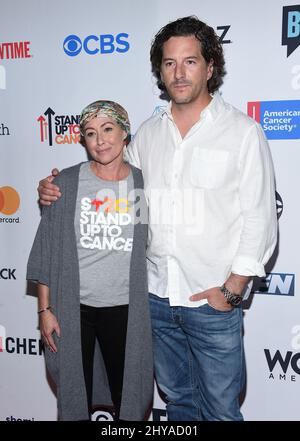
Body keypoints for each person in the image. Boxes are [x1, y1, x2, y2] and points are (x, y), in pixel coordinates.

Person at [37, 16, 278, 421]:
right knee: (179, 404)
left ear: (210, 67)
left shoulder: (242, 132)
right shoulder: (147, 134)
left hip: (212, 302)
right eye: (169, 63)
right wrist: (58, 186)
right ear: (160, 71)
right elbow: (109, 177)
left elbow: (260, 216)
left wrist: (233, 290)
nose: (179, 73)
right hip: (155, 302)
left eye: (189, 61)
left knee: (221, 410)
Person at [27, 100, 153, 421]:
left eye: (108, 129)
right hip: (74, 310)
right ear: (83, 140)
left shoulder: (142, 184)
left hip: (126, 309)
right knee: (73, 395)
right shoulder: (65, 184)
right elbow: (47, 250)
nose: (100, 141)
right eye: (90, 133)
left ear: (125, 133)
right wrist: (45, 310)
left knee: (129, 397)